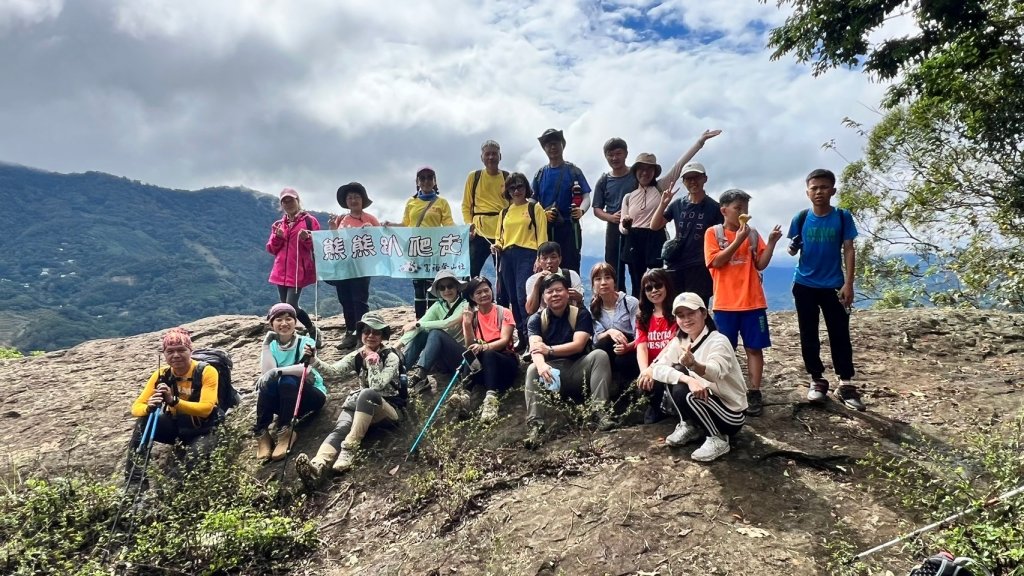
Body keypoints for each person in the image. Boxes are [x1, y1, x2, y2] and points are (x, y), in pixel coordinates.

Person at [294, 312, 404, 480]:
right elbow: (334, 371)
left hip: (388, 409)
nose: (371, 336)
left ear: (383, 336)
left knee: (368, 393)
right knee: (341, 428)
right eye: (366, 331)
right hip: (362, 406)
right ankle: (317, 465)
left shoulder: (390, 357)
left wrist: (372, 363)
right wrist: (314, 360)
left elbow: (376, 386)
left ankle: (349, 450)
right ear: (361, 334)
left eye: (376, 332)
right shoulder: (356, 356)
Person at [786, 169, 863, 410]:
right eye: (814, 188)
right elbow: (792, 250)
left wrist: (848, 283)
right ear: (807, 192)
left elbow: (849, 249)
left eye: (824, 187)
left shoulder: (842, 217)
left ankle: (846, 383)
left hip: (833, 286)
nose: (819, 192)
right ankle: (817, 380)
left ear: (833, 190)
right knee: (808, 334)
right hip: (805, 285)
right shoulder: (800, 217)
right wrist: (792, 246)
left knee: (839, 334)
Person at [704, 189, 783, 417]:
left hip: (753, 302)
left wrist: (771, 243)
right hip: (725, 304)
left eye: (745, 209)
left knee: (754, 348)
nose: (742, 213)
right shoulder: (714, 233)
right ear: (724, 210)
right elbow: (715, 262)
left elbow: (760, 264)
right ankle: (725, 392)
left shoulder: (752, 234)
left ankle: (754, 391)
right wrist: (737, 240)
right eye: (738, 209)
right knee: (723, 350)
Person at [617, 129, 722, 297]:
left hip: (655, 237)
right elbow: (622, 226)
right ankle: (642, 318)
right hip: (633, 240)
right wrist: (626, 226)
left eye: (649, 169)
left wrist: (700, 142)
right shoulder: (629, 197)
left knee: (659, 283)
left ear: (654, 172)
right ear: (635, 171)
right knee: (638, 284)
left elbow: (679, 166)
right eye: (641, 169)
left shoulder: (660, 187)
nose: (645, 173)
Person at [647, 293, 748, 462]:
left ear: (704, 313)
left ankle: (718, 438)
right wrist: (688, 378)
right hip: (707, 403)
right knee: (676, 376)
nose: (686, 319)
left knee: (684, 391)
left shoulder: (718, 341)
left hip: (731, 414)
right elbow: (657, 368)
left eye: (691, 313)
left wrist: (694, 365)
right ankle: (690, 425)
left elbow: (716, 371)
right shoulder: (680, 341)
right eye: (681, 315)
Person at [523, 273, 616, 448]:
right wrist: (541, 365)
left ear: (568, 292)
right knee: (532, 369)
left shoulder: (580, 314)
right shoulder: (536, 319)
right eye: (550, 292)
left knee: (599, 356)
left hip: (577, 370)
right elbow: (535, 346)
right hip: (551, 375)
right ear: (544, 297)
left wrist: (549, 350)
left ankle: (599, 412)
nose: (555, 294)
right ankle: (536, 426)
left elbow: (579, 345)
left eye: (559, 290)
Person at [126, 327, 220, 482]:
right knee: (144, 420)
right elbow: (136, 408)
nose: (176, 355)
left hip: (204, 430)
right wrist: (149, 407)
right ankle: (135, 480)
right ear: (164, 354)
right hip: (177, 428)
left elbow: (206, 409)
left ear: (190, 351)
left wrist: (173, 401)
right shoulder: (162, 375)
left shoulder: (206, 372)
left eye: (181, 350)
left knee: (185, 472)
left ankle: (167, 493)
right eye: (170, 351)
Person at [253, 303, 327, 462]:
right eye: (278, 319)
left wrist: (278, 371)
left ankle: (286, 431)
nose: (284, 323)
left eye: (289, 319)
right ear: (271, 323)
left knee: (287, 379)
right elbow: (267, 375)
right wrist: (265, 346)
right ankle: (262, 432)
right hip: (286, 401)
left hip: (309, 396)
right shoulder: (271, 345)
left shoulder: (306, 341)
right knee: (266, 383)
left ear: (295, 322)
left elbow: (304, 370)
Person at [651, 163, 724, 307]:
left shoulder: (715, 208)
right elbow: (655, 225)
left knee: (697, 306)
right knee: (675, 306)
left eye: (696, 177)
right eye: (688, 178)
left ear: (705, 179)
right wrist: (663, 204)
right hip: (676, 265)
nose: (692, 182)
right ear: (683, 182)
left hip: (700, 266)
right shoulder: (677, 204)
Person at [491, 173, 548, 349]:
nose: (516, 191)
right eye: (512, 187)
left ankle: (532, 337)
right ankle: (522, 338)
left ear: (526, 188)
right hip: (507, 256)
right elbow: (499, 236)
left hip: (527, 254)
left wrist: (540, 257)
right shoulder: (504, 212)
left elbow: (542, 235)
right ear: (508, 191)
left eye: (520, 186)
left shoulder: (535, 208)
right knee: (512, 298)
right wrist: (497, 246)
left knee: (525, 296)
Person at [452, 276, 518, 422]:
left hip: (505, 364)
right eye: (478, 293)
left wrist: (483, 347)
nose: (483, 295)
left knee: (487, 353)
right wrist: (467, 325)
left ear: (491, 291)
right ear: (472, 297)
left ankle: (491, 401)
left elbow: (504, 341)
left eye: (486, 291)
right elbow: (469, 345)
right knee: (469, 354)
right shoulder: (472, 316)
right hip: (485, 370)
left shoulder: (504, 312)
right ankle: (465, 396)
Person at [394, 166, 456, 318]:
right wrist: (389, 225)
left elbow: (449, 225)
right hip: (416, 251)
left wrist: (466, 231)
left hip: (435, 252)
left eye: (430, 177)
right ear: (417, 182)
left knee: (434, 287)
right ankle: (420, 322)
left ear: (435, 181)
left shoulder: (442, 203)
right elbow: (406, 224)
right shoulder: (411, 202)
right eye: (423, 178)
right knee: (418, 288)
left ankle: (434, 321)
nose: (426, 181)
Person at [399, 269, 470, 395]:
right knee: (422, 332)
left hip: (459, 358)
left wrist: (418, 323)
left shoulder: (465, 305)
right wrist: (397, 346)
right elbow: (418, 327)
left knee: (435, 332)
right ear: (438, 291)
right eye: (442, 288)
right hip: (441, 360)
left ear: (457, 287)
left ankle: (420, 373)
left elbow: (447, 323)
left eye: (450, 286)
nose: (446, 290)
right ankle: (399, 370)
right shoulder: (438, 306)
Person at [327, 182, 380, 350]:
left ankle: (362, 335)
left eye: (356, 197)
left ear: (363, 199)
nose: (353, 200)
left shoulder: (370, 219)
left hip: (362, 266)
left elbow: (381, 242)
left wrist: (370, 231)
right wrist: (333, 230)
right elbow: (336, 243)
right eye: (350, 197)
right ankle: (350, 332)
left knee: (360, 300)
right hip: (343, 266)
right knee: (345, 299)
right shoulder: (341, 219)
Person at [266, 187, 321, 345]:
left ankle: (296, 337)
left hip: (298, 271)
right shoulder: (278, 225)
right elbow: (271, 248)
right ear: (281, 205)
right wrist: (279, 238)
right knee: (289, 307)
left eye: (291, 200)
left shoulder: (309, 221)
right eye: (285, 201)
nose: (288, 204)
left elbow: (318, 246)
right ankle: (311, 330)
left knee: (289, 307)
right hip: (280, 271)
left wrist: (306, 239)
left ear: (298, 201)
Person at [532, 129, 591, 273]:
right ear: (544, 149)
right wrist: (543, 214)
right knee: (547, 267)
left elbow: (586, 197)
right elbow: (532, 202)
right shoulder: (540, 174)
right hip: (547, 229)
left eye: (556, 143)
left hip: (570, 227)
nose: (552, 147)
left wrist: (581, 211)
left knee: (571, 266)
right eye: (548, 145)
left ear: (562, 145)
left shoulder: (573, 171)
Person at [634, 268, 679, 424]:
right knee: (644, 383)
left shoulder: (677, 314)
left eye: (658, 285)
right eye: (648, 288)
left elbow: (673, 345)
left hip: (671, 364)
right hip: (651, 367)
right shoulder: (643, 317)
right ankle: (654, 408)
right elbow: (641, 346)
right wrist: (644, 371)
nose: (654, 291)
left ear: (666, 286)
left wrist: (652, 369)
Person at [462, 140, 509, 280]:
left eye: (494, 154)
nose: (490, 157)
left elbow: (514, 206)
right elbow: (466, 205)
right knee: (470, 272)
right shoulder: (474, 177)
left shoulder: (507, 177)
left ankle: (503, 301)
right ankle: (468, 301)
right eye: (487, 154)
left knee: (502, 273)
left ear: (500, 156)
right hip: (478, 231)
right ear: (481, 157)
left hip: (501, 232)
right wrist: (469, 224)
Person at [592, 137, 633, 285]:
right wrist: (610, 217)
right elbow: (596, 209)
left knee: (636, 267)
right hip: (613, 228)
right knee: (613, 269)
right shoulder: (604, 180)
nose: (614, 158)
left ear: (626, 154)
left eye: (618, 153)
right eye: (610, 155)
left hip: (634, 226)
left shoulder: (635, 175)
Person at [589, 262, 640, 381]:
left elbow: (640, 335)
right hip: (609, 348)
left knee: (622, 360)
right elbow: (596, 338)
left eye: (607, 278)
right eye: (598, 279)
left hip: (631, 347)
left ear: (614, 282)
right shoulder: (594, 308)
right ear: (593, 285)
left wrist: (628, 347)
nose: (603, 283)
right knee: (603, 344)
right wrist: (610, 332)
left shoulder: (630, 303)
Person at [524, 241, 584, 316]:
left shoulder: (571, 275)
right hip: (544, 320)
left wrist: (578, 298)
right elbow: (530, 310)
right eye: (544, 258)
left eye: (553, 257)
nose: (549, 261)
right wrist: (537, 285)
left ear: (560, 259)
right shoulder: (532, 280)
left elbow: (578, 306)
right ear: (539, 261)